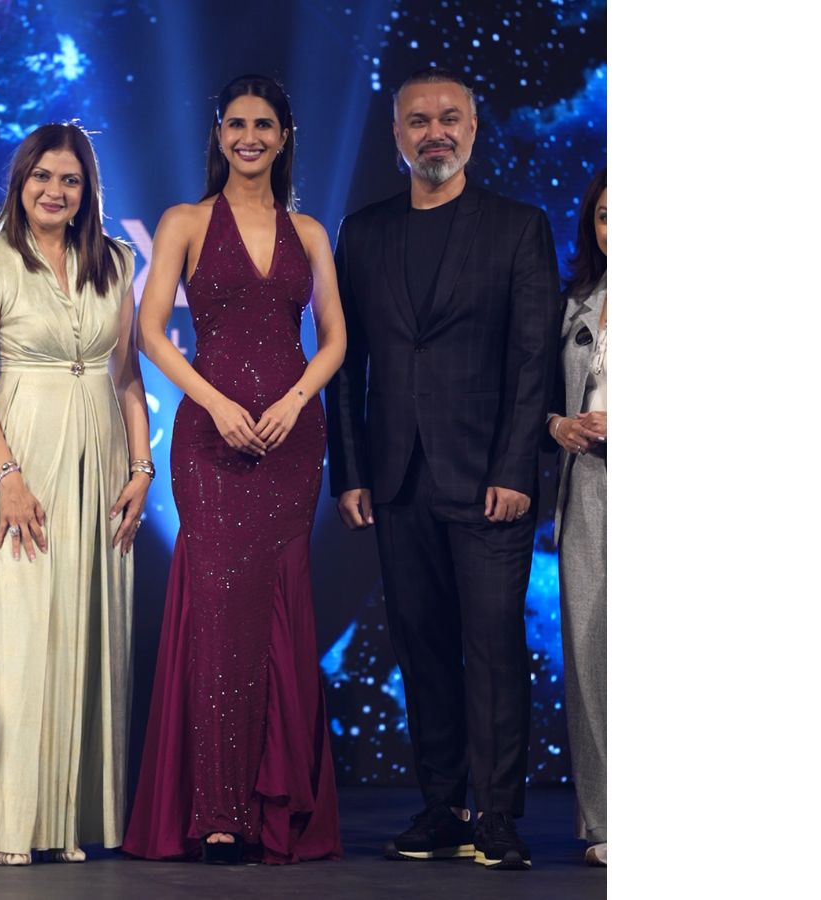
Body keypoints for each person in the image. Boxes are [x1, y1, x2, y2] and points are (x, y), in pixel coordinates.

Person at [326, 68, 561, 871]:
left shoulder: (518, 228)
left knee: (492, 649)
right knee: (421, 647)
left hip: (490, 479)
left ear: (473, 128)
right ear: (397, 135)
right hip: (396, 480)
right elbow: (345, 363)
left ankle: (496, 815)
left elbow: (532, 361)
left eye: (450, 118)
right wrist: (350, 471)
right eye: (419, 120)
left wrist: (517, 469)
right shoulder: (362, 232)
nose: (436, 132)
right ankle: (442, 807)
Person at [123, 74, 346, 865]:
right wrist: (215, 403)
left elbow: (334, 339)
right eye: (236, 124)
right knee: (218, 612)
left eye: (264, 125)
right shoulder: (184, 221)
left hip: (292, 437)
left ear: (284, 137)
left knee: (278, 606)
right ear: (219, 135)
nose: (249, 137)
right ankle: (218, 812)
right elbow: (151, 332)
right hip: (210, 439)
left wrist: (294, 402)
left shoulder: (309, 232)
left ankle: (272, 804)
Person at [0, 123, 151, 865]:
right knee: (20, 636)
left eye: (69, 179)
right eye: (42, 177)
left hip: (100, 461)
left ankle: (65, 820)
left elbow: (127, 375)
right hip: (18, 462)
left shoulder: (116, 262)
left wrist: (142, 468)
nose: (55, 191)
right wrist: (8, 478)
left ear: (87, 189)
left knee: (83, 631)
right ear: (20, 181)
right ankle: (10, 822)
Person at [547, 167, 607, 867]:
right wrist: (558, 425)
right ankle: (604, 821)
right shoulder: (575, 304)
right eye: (604, 216)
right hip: (588, 485)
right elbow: (539, 393)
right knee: (591, 657)